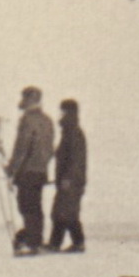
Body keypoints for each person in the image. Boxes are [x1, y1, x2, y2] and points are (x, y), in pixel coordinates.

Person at [3, 86, 55, 256]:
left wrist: (12, 169)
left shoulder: (27, 120)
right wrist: (43, 164)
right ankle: (33, 239)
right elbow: (50, 149)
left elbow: (22, 147)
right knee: (35, 207)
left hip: (27, 171)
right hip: (40, 171)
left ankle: (33, 242)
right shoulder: (47, 120)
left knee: (26, 206)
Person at [45, 98, 88, 253]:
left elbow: (75, 159)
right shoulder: (70, 131)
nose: (61, 114)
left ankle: (73, 243)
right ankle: (59, 243)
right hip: (69, 180)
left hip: (71, 181)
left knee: (65, 212)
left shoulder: (73, 132)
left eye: (63, 111)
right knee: (62, 212)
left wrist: (68, 178)